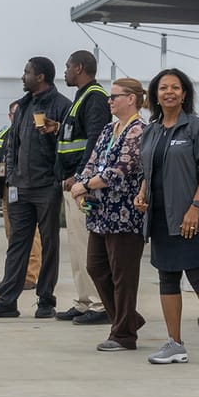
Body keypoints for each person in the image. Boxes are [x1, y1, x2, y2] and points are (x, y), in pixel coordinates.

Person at [134, 68, 199, 365]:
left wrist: (195, 208)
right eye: (163, 88)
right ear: (155, 95)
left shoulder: (196, 128)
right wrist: (142, 194)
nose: (169, 92)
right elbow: (147, 170)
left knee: (197, 274)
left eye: (175, 88)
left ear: (184, 94)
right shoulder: (151, 131)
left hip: (192, 216)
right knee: (167, 277)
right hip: (161, 216)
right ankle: (175, 344)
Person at [0, 57, 71, 318]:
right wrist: (11, 177)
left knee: (50, 243)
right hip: (19, 187)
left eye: (26, 72)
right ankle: (7, 301)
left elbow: (68, 144)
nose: (23, 76)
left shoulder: (61, 105)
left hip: (46, 187)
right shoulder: (22, 107)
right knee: (17, 244)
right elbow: (12, 145)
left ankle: (46, 300)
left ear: (40, 76)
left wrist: (57, 177)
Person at [70, 77, 149, 351]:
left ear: (131, 98)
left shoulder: (140, 131)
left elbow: (122, 170)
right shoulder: (109, 129)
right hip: (101, 213)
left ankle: (124, 335)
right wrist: (82, 184)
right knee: (96, 267)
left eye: (115, 96)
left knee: (123, 275)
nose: (110, 101)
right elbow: (93, 162)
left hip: (125, 214)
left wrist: (85, 185)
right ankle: (127, 319)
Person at [54, 49, 112, 326]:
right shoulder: (81, 97)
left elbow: (95, 141)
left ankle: (100, 304)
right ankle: (83, 300)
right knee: (76, 246)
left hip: (81, 186)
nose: (64, 72)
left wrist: (80, 177)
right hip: (72, 183)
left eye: (67, 66)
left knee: (87, 246)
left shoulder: (95, 97)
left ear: (79, 68)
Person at [0, 99, 42, 290]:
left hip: (25, 189)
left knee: (31, 234)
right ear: (10, 116)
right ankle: (15, 274)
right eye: (13, 114)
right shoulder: (3, 134)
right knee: (12, 234)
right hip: (6, 189)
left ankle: (30, 275)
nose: (17, 117)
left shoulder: (32, 132)